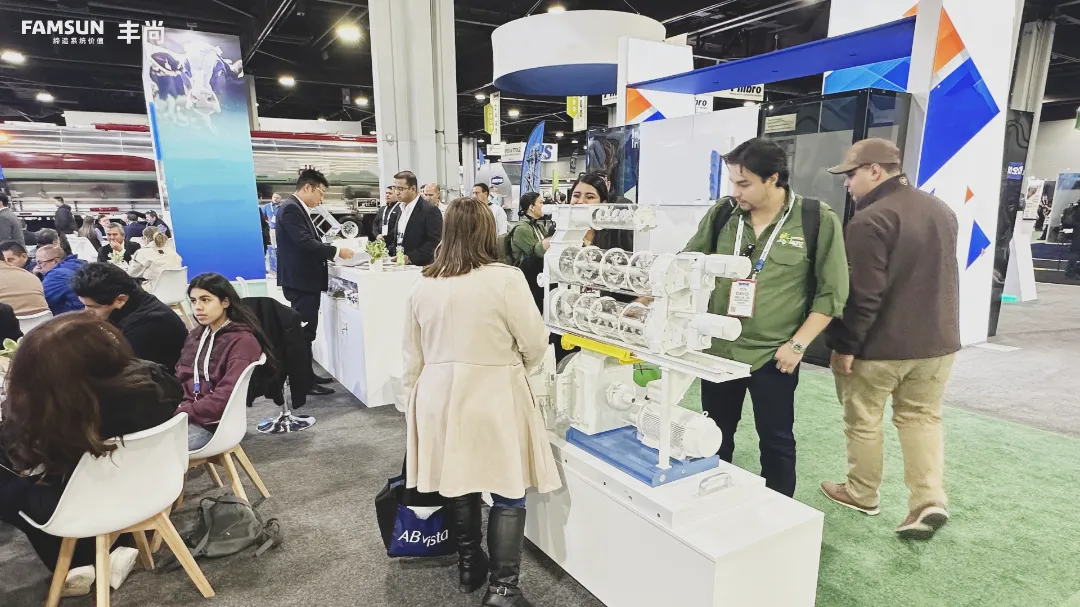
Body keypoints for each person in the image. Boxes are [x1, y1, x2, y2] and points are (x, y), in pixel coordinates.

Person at [403, 196, 560, 606]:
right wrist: (514, 364)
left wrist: (412, 403)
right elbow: (534, 342)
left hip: (437, 394)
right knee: (508, 488)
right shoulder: (505, 279)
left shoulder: (423, 283)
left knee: (460, 480)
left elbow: (412, 354)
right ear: (489, 231)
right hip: (494, 393)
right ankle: (503, 588)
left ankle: (469, 566)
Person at [680, 138, 849, 497]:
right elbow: (687, 261)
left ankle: (779, 511)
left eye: (744, 183)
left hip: (775, 355)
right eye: (732, 182)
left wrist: (798, 345)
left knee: (776, 440)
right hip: (720, 349)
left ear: (773, 178)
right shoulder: (724, 214)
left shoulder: (816, 219)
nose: (735, 192)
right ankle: (710, 503)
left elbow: (832, 293)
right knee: (713, 434)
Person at [819, 139, 961, 540]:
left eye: (851, 174)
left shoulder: (870, 220)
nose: (847, 183)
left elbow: (863, 295)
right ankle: (928, 500)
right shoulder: (941, 209)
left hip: (881, 347)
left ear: (875, 170)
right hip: (938, 344)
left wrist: (845, 345)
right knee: (922, 418)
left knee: (863, 419)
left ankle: (862, 493)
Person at [0, 314, 181, 596]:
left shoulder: (67, 413)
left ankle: (80, 559)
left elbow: (26, 455)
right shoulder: (152, 380)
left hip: (91, 501)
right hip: (153, 486)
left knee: (13, 488)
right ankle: (105, 550)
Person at [275, 169, 354, 396]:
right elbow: (304, 242)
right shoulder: (291, 208)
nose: (322, 199)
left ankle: (308, 376)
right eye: (321, 192)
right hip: (300, 282)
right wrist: (336, 251)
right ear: (307, 187)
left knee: (307, 332)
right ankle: (304, 382)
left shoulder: (296, 208)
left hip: (303, 280)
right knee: (304, 333)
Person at [176, 273, 268, 450]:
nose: (198, 307)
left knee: (145, 451)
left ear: (225, 302)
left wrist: (179, 412)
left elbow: (224, 399)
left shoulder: (243, 342)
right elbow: (181, 376)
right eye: (193, 301)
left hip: (212, 425)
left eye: (205, 300)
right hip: (186, 414)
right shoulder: (196, 335)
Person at [72, 262, 188, 371]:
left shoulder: (147, 326)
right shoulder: (131, 302)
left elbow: (129, 371)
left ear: (120, 300)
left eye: (93, 307)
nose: (87, 311)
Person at [508, 192, 553, 310]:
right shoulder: (521, 229)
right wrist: (550, 239)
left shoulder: (539, 226)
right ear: (531, 207)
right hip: (526, 274)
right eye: (541, 203)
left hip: (538, 272)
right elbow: (535, 253)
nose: (543, 206)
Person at [388, 170, 443, 266]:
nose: (396, 192)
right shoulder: (400, 209)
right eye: (395, 188)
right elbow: (399, 238)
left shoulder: (430, 210)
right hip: (399, 266)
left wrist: (410, 258)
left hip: (420, 267)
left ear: (413, 189)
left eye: (400, 189)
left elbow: (435, 242)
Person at [572, 173, 634, 252]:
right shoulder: (563, 231)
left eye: (590, 197)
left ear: (603, 204)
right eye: (576, 196)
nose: (580, 201)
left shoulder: (616, 235)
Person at [35, 244, 86, 315]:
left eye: (40, 263)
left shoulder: (58, 275)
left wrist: (34, 277)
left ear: (56, 261)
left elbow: (38, 301)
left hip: (71, 317)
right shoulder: (77, 265)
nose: (37, 267)